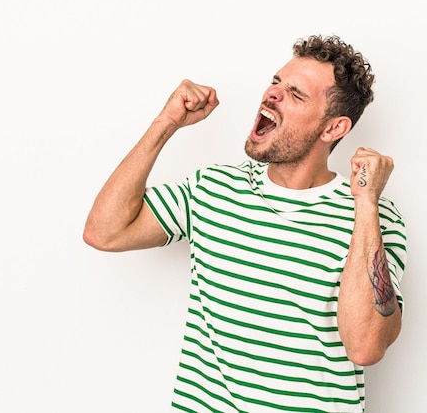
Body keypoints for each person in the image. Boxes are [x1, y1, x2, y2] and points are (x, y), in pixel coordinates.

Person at [83, 34, 406, 413]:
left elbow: (365, 346)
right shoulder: (213, 188)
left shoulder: (372, 217)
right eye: (275, 82)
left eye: (296, 95)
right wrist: (165, 123)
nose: (272, 95)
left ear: (333, 129)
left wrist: (366, 203)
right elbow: (104, 232)